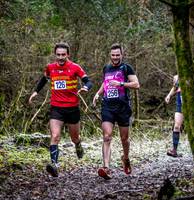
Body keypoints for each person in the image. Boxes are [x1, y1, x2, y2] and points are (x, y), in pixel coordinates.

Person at [29, 42, 92, 177]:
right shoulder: (50, 67)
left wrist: (86, 88)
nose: (61, 57)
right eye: (58, 55)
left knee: (74, 138)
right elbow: (44, 80)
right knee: (55, 136)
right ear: (55, 54)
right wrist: (36, 92)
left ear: (68, 54)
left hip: (72, 108)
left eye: (63, 54)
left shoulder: (75, 67)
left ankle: (78, 145)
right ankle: (54, 165)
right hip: (56, 108)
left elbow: (88, 81)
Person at [93, 43, 140, 179]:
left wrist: (121, 84)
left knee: (124, 139)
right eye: (113, 55)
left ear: (121, 55)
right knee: (107, 136)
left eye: (117, 55)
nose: (115, 58)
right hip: (107, 106)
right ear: (110, 55)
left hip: (123, 107)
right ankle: (106, 168)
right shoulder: (106, 68)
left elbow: (136, 84)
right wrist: (98, 93)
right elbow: (105, 82)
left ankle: (125, 158)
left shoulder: (126, 68)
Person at [165, 73, 194, 157]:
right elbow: (175, 88)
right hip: (180, 103)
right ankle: (174, 150)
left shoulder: (193, 75)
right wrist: (169, 95)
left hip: (191, 103)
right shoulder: (176, 77)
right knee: (176, 126)